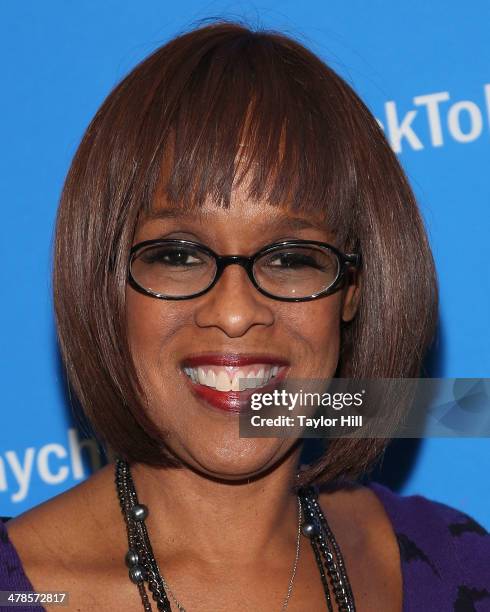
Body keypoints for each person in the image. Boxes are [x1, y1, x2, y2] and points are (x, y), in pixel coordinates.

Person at [1, 20, 489, 612]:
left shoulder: (458, 564)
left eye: (291, 258)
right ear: (109, 287)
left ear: (352, 291)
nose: (234, 313)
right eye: (177, 255)